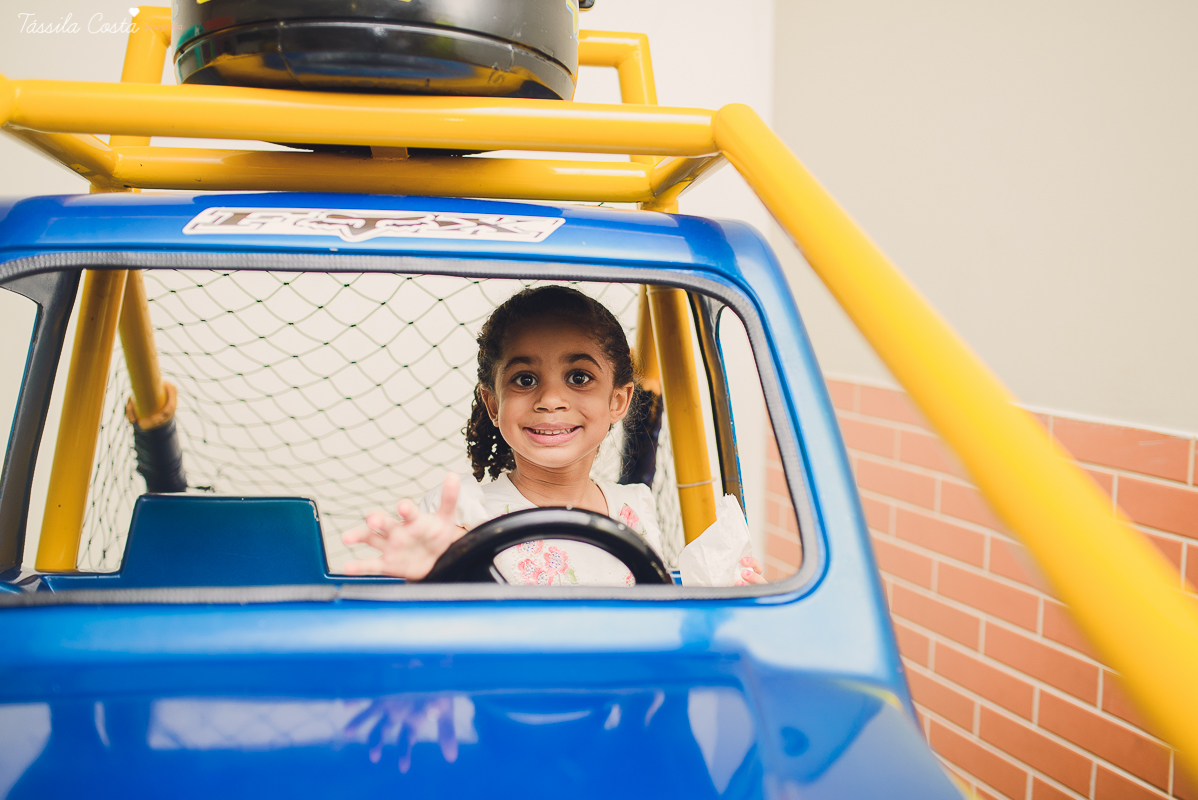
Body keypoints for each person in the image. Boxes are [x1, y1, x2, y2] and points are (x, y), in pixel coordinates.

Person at [342, 285, 767, 587]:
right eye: (525, 379)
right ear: (493, 405)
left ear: (618, 401)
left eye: (578, 377)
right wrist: (432, 578)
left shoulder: (635, 507)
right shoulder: (459, 515)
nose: (549, 399)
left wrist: (728, 594)